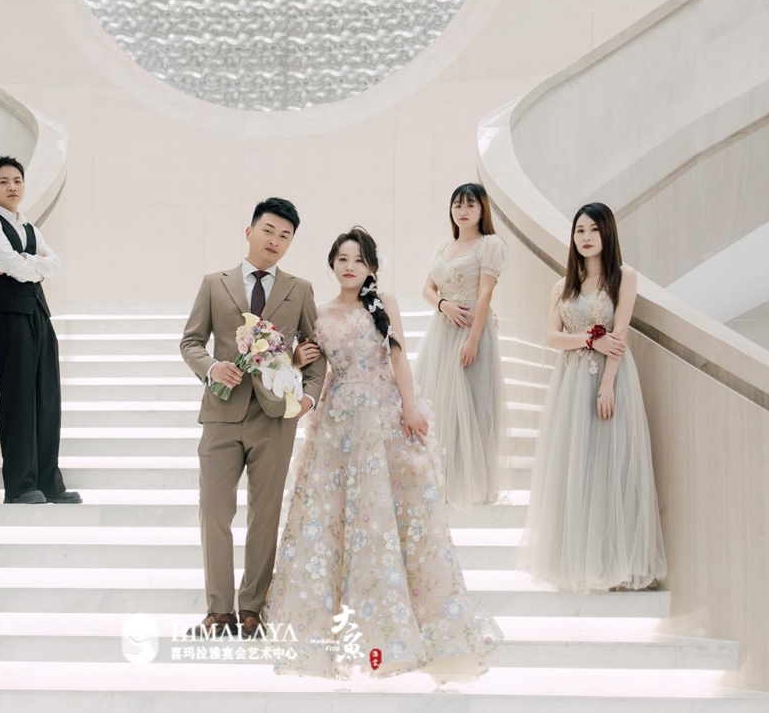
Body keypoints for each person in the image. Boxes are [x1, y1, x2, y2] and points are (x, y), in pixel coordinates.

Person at [266, 227, 501, 682]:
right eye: (342, 259)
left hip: (385, 416)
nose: (349, 266)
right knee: (336, 519)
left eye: (358, 259)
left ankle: (412, 635)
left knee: (399, 519)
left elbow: (398, 359)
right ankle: (346, 640)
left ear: (371, 266)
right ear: (332, 265)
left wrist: (410, 407)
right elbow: (311, 368)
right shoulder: (318, 311)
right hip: (338, 424)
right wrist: (295, 361)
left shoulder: (383, 302)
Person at [178, 198, 327, 639]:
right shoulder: (214, 283)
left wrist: (308, 398)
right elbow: (190, 341)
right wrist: (211, 367)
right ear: (249, 232)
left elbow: (317, 352)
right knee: (213, 510)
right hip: (222, 413)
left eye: (285, 235)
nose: (275, 240)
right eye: (268, 230)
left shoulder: (299, 289)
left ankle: (252, 610)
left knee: (265, 514)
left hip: (276, 418)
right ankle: (218, 610)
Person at [516, 203, 667, 592]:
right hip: (569, 382)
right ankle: (575, 563)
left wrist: (608, 383)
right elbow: (552, 338)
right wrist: (588, 340)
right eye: (579, 230)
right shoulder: (562, 285)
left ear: (607, 234)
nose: (585, 237)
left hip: (608, 380)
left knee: (606, 465)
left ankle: (611, 563)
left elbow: (620, 333)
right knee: (573, 467)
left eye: (593, 230)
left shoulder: (623, 277)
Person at [0, 156, 81, 505]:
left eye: (17, 180)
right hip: (9, 316)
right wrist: (30, 265)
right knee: (18, 399)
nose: (12, 187)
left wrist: (24, 263)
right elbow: (12, 265)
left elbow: (55, 265)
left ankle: (49, 482)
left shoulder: (30, 228)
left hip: (38, 313)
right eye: (3, 181)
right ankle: (20, 486)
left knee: (47, 398)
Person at [414, 183, 509, 507]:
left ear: (482, 209)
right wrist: (443, 305)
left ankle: (474, 486)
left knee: (475, 405)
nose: (463, 210)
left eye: (470, 204)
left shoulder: (489, 244)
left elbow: (485, 293)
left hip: (473, 330)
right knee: (439, 404)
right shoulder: (444, 247)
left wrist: (473, 339)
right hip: (442, 331)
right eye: (457, 204)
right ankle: (440, 482)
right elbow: (427, 289)